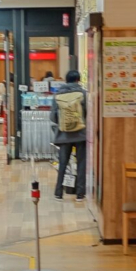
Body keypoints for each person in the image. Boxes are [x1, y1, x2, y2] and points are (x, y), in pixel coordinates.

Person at [51, 70, 87, 202]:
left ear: (66, 80)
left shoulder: (58, 94)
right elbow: (87, 112)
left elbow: (53, 116)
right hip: (81, 134)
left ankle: (58, 193)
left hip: (63, 135)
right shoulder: (83, 94)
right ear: (78, 80)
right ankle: (80, 194)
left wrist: (63, 124)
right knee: (81, 163)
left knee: (63, 164)